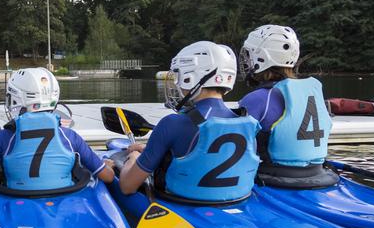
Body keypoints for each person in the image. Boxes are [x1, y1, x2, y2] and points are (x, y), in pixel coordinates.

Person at [118, 41, 260, 203]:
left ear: (191, 77)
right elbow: (211, 154)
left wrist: (133, 158)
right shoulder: (247, 124)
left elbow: (127, 186)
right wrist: (149, 149)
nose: (177, 83)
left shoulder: (172, 123)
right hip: (235, 201)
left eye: (179, 75)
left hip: (180, 203)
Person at [0, 67, 115, 191]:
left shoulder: (3, 137)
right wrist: (107, 165)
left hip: (16, 197)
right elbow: (107, 177)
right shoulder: (69, 136)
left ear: (16, 98)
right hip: (63, 196)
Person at [238, 25, 336, 187]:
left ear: (261, 58)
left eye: (250, 55)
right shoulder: (312, 92)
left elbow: (236, 147)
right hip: (317, 173)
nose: (247, 61)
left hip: (274, 177)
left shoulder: (258, 98)